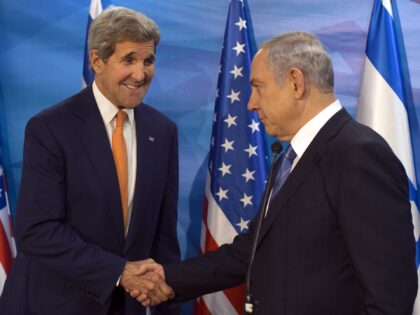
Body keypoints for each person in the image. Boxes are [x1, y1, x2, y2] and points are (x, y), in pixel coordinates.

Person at [133, 31, 418, 314]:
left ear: (296, 83)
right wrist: (168, 279)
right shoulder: (290, 157)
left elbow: (389, 295)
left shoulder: (358, 154)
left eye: (258, 87)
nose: (251, 103)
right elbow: (252, 252)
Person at [0, 7, 180, 315]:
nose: (140, 74)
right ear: (97, 61)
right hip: (54, 304)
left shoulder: (162, 132)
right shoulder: (51, 128)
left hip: (128, 307)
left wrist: (168, 304)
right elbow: (38, 230)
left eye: (148, 61)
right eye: (129, 60)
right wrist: (119, 271)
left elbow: (163, 237)